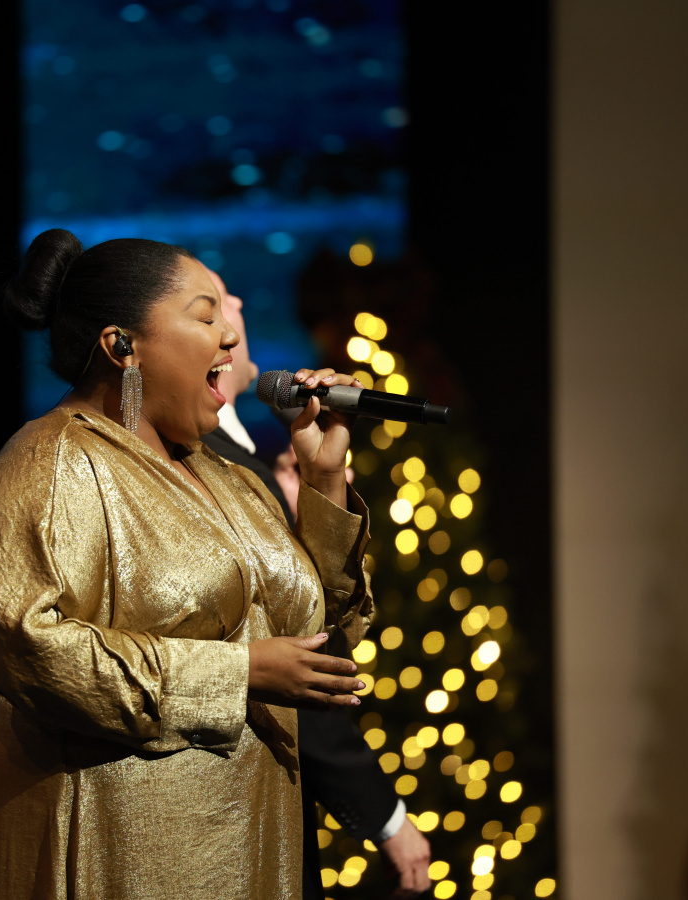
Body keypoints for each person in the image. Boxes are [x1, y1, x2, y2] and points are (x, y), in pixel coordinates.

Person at [0, 229, 376, 898]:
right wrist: (239, 672)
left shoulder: (229, 478)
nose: (231, 338)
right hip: (126, 843)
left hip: (248, 836)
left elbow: (327, 635)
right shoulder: (50, 463)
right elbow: (31, 652)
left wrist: (323, 478)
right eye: (204, 316)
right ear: (121, 345)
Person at [198, 270, 432, 898]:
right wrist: (385, 817)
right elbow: (300, 657)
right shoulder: (201, 465)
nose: (237, 305)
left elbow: (332, 615)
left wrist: (320, 484)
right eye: (212, 304)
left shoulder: (256, 461)